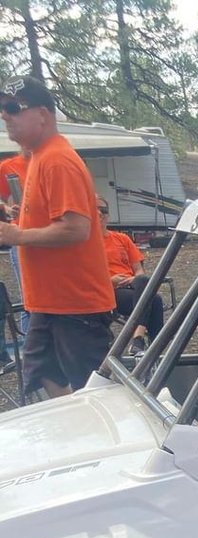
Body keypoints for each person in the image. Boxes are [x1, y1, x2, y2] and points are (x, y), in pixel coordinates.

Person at [0, 76, 114, 399]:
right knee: (44, 372)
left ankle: (96, 431)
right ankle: (73, 425)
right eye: (3, 110)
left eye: (13, 108)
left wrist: (19, 235)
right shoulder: (38, 157)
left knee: (95, 392)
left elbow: (76, 228)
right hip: (49, 304)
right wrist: (16, 220)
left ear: (43, 114)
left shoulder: (58, 160)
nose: (5, 116)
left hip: (75, 305)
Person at [97, 196, 163, 355]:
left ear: (108, 215)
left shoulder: (122, 239)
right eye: (94, 210)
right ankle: (150, 347)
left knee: (142, 280)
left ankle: (141, 341)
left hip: (131, 285)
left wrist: (134, 278)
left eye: (103, 211)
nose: (99, 214)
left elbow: (138, 269)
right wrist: (110, 282)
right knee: (155, 300)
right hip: (106, 291)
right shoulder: (86, 244)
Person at [0, 148, 31, 335]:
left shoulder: (53, 162)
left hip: (51, 237)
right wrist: (6, 209)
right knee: (30, 297)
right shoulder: (8, 166)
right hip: (22, 237)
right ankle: (30, 348)